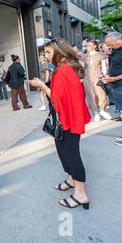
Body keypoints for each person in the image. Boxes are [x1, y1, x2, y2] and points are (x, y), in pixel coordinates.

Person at [27, 39, 91, 210]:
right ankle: (71, 180)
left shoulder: (62, 70)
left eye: (48, 52)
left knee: (72, 156)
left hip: (67, 120)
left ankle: (81, 194)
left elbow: (57, 99)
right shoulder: (64, 69)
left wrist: (41, 85)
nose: (45, 56)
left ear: (58, 51)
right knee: (65, 152)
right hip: (67, 119)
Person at [81, 40, 112, 122]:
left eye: (89, 45)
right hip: (87, 79)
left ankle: (102, 110)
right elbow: (82, 68)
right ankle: (96, 112)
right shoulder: (84, 56)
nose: (87, 47)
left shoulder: (101, 55)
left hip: (98, 78)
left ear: (95, 46)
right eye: (86, 45)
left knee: (101, 95)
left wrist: (105, 75)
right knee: (91, 96)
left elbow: (105, 67)